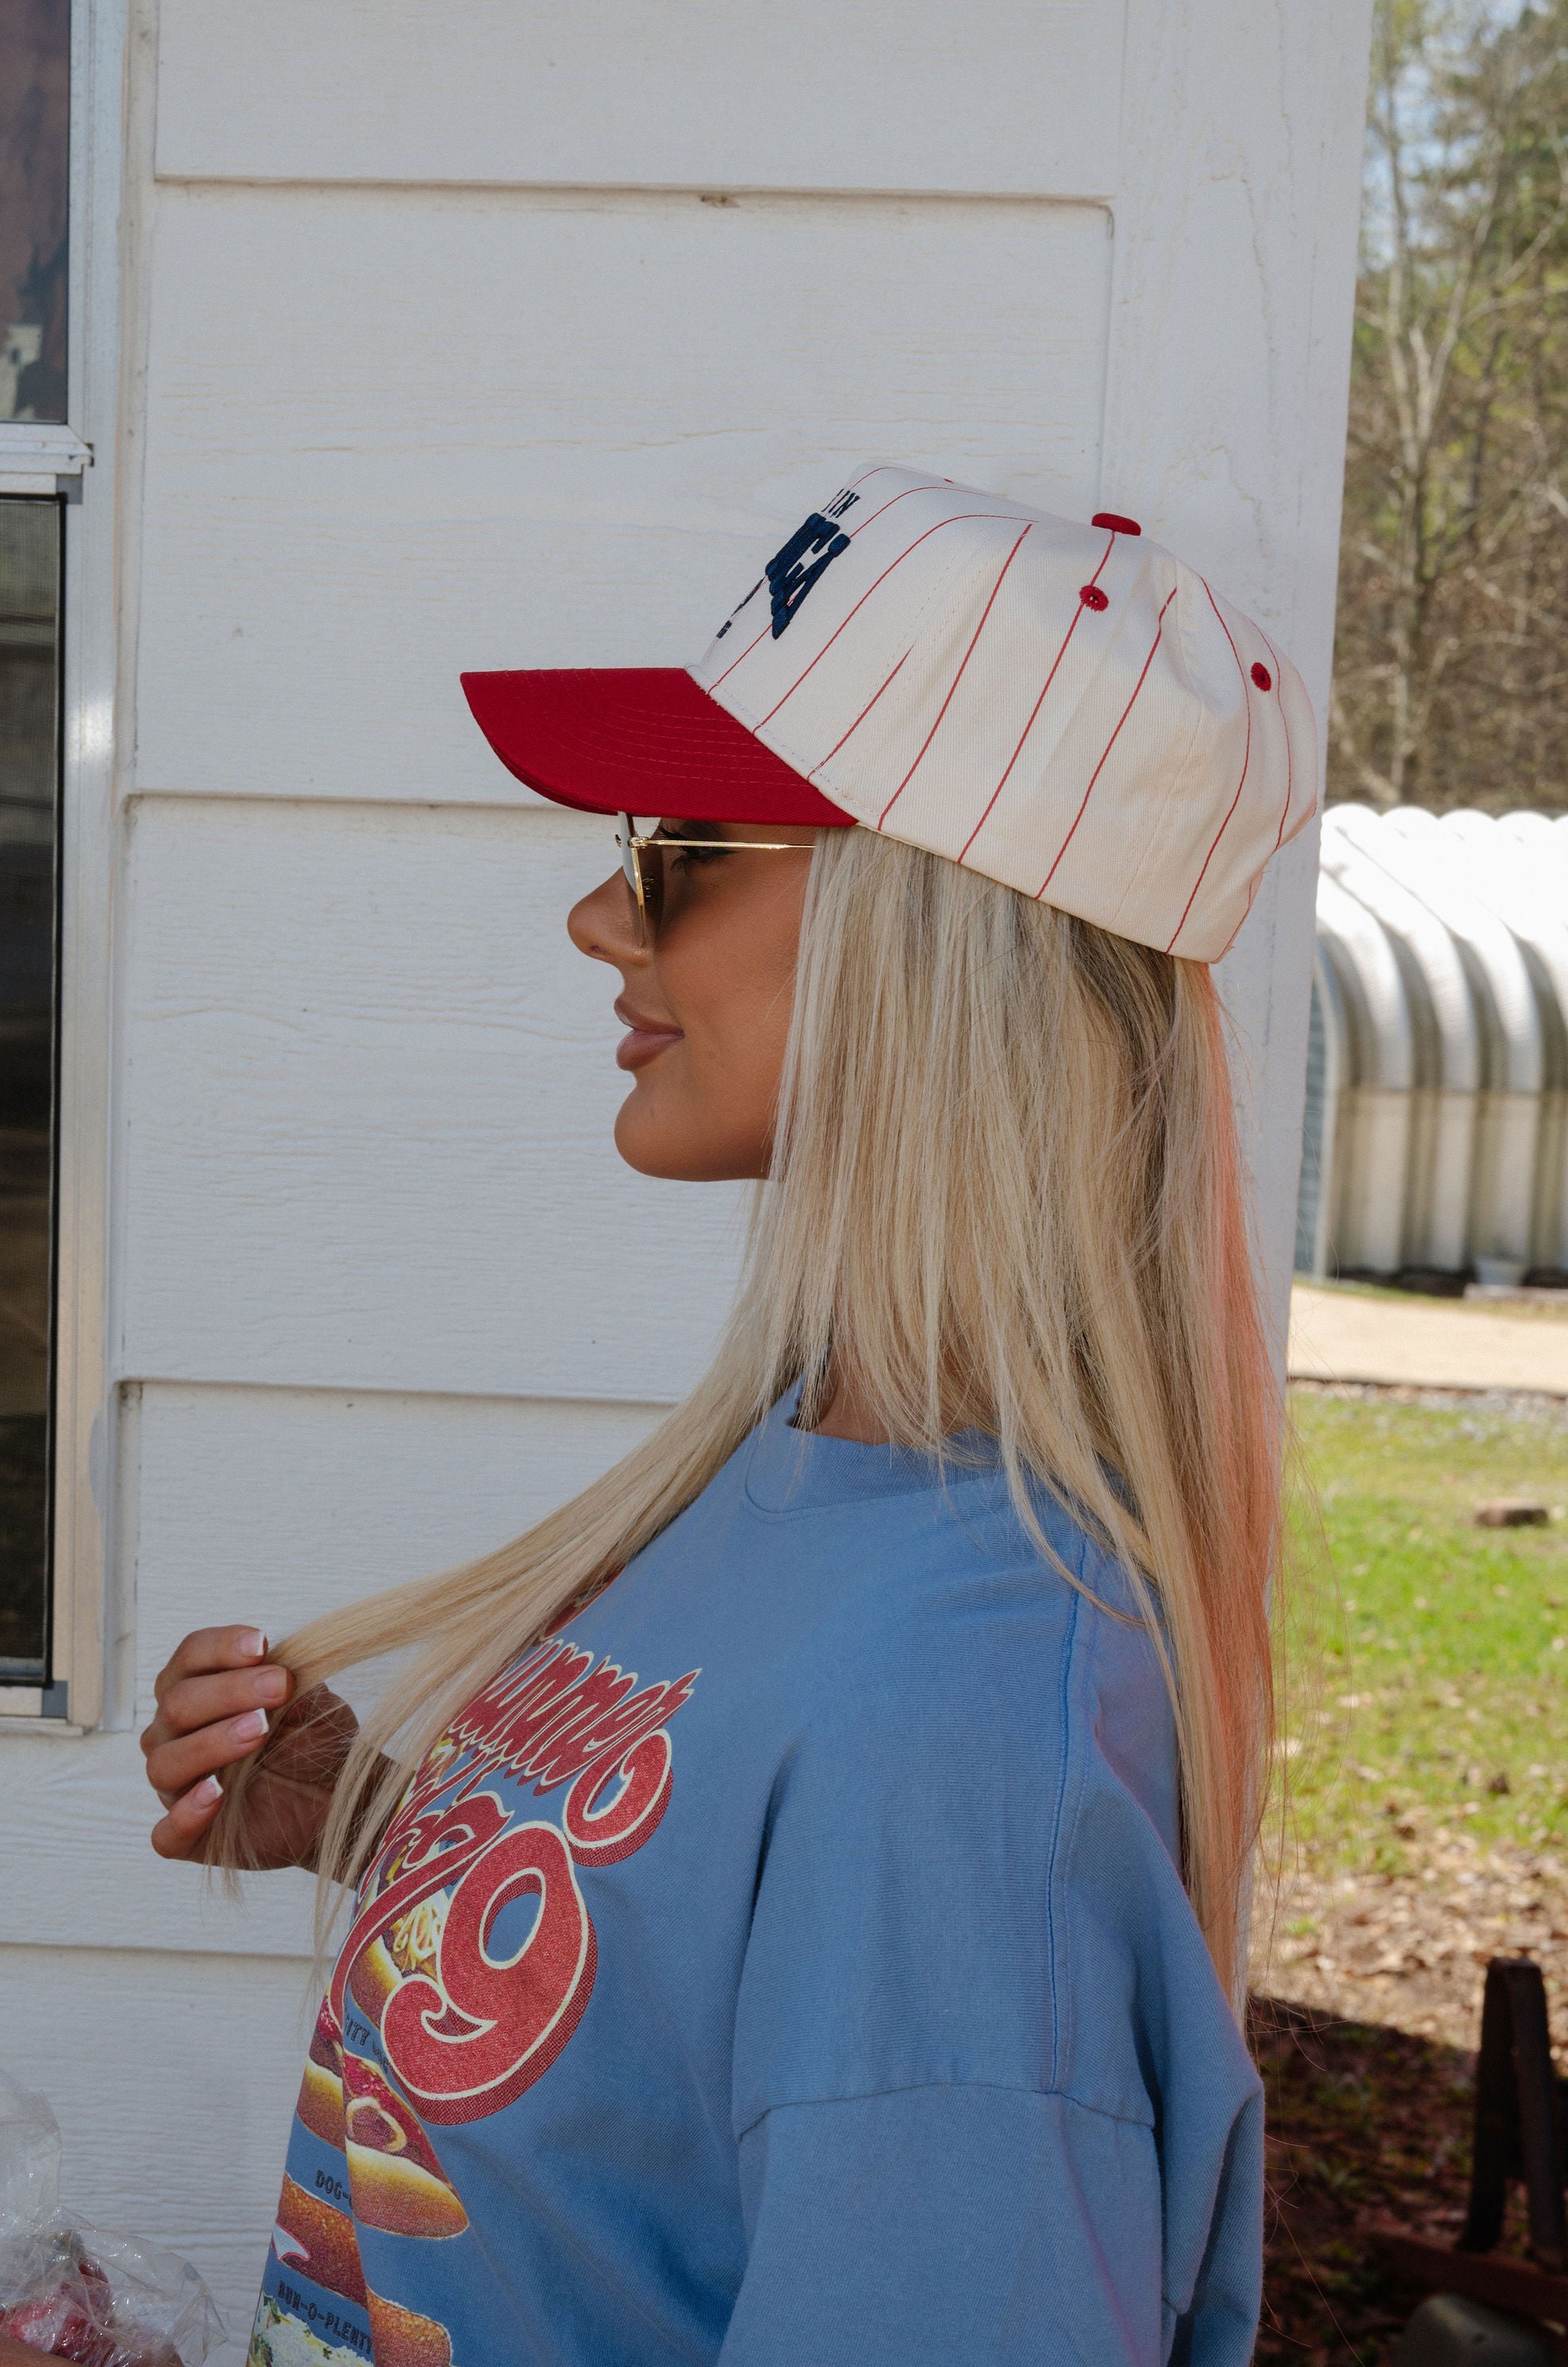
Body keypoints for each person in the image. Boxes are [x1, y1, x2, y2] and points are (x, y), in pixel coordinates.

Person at [150, 469, 1313, 2365]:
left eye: (680, 845)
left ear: (933, 932)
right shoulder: (811, 1471)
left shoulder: (965, 1730)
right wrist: (400, 1821)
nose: (598, 915)